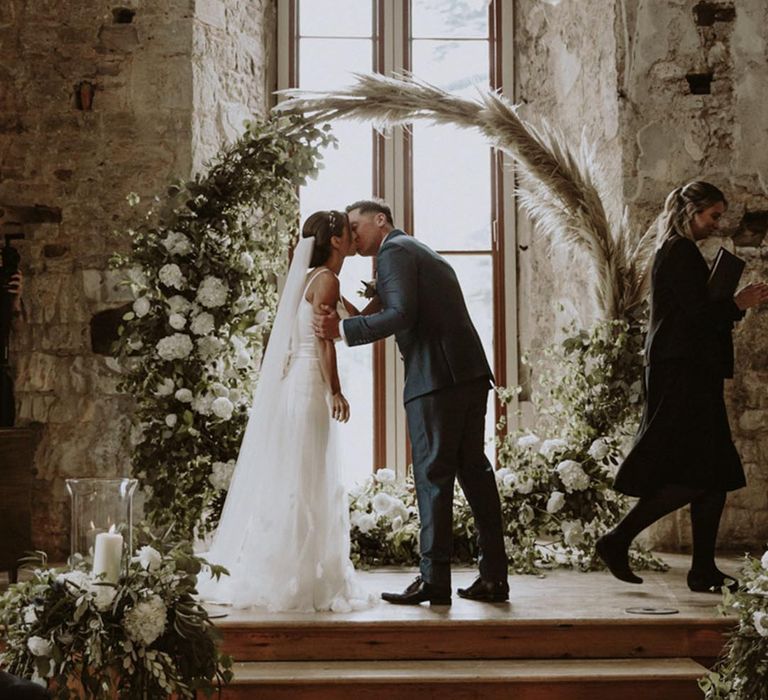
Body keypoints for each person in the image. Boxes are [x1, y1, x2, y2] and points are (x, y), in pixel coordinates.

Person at [314, 199, 508, 606]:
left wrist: (343, 331)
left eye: (356, 225)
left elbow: (401, 314)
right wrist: (355, 317)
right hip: (467, 374)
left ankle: (434, 580)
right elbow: (396, 308)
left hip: (437, 379)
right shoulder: (417, 251)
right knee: (475, 474)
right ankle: (494, 576)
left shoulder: (395, 251)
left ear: (380, 220)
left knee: (432, 478)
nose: (352, 234)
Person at [196, 210, 375, 612]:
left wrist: (380, 293)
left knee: (301, 475)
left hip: (298, 381)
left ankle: (294, 570)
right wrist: (338, 392)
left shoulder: (312, 280)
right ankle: (300, 576)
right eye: (350, 232)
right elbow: (326, 341)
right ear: (335, 241)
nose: (354, 238)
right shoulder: (327, 280)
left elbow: (358, 321)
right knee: (308, 476)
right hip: (311, 383)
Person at [596, 181, 768, 592]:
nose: (717, 224)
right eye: (712, 216)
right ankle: (617, 539)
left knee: (715, 471)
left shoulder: (675, 251)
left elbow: (694, 312)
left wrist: (728, 305)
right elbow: (695, 317)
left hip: (688, 371)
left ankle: (702, 569)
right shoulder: (679, 251)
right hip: (682, 374)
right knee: (698, 472)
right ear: (690, 212)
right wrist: (737, 304)